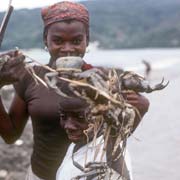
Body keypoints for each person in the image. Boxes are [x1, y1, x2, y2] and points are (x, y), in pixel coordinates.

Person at [0, 1, 149, 180]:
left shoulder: (105, 79)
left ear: (87, 40)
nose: (68, 49)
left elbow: (117, 136)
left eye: (77, 41)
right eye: (58, 41)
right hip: (39, 175)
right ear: (45, 39)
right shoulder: (31, 78)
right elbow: (10, 135)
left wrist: (140, 109)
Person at [56, 96, 133, 180]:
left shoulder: (107, 156)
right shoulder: (77, 144)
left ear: (102, 117)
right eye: (63, 117)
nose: (68, 126)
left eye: (80, 117)